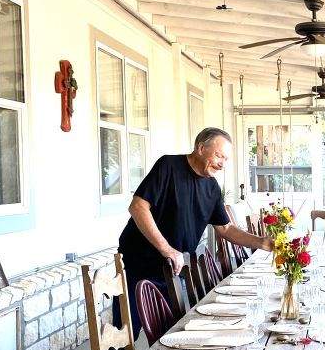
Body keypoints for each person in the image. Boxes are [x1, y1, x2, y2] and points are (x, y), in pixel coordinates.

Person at [116, 127, 271, 331]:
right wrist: (167, 249)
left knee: (172, 333)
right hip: (139, 265)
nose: (222, 164)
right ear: (200, 148)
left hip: (173, 270)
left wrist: (261, 242)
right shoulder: (168, 166)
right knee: (126, 334)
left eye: (225, 159)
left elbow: (225, 229)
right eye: (219, 155)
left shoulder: (212, 187)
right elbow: (138, 207)